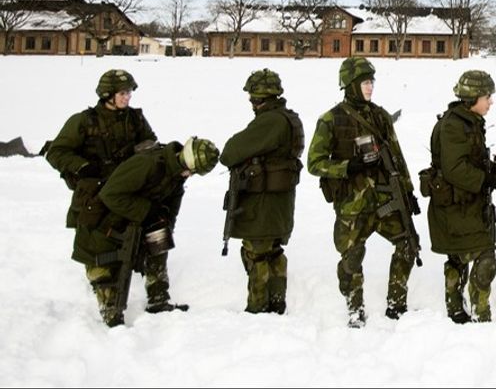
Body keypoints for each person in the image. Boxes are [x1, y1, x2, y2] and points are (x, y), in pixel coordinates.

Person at [307, 56, 421, 328]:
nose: (370, 87)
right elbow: (314, 163)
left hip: (385, 199)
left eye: (371, 82)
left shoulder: (380, 116)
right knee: (352, 256)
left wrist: (408, 191)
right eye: (365, 83)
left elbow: (397, 156)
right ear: (350, 85)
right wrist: (348, 166)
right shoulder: (331, 120)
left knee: (408, 243)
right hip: (352, 204)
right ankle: (354, 308)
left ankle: (396, 304)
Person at [44, 69, 159, 325]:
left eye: (129, 92)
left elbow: (151, 144)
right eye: (122, 93)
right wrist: (82, 167)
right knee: (95, 245)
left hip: (127, 190)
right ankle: (107, 300)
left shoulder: (136, 119)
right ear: (107, 94)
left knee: (131, 238)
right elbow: (56, 152)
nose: (127, 97)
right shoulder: (84, 121)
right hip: (94, 193)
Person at [90, 137, 218, 326]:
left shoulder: (176, 177)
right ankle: (111, 312)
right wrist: (147, 211)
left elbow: (170, 213)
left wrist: (162, 226)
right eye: (191, 171)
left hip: (135, 217)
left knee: (160, 236)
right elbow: (109, 195)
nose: (190, 175)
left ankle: (158, 299)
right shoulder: (147, 164)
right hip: (105, 221)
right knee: (105, 271)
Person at [424, 70, 496, 324]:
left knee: (459, 256)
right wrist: (486, 179)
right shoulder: (454, 125)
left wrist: (491, 172)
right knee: (485, 259)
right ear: (473, 97)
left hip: (463, 204)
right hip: (455, 207)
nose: (491, 101)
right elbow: (454, 168)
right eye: (487, 96)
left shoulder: (467, 121)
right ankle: (481, 317)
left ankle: (454, 309)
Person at [219, 69, 305, 315]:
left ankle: (257, 308)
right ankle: (276, 303)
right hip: (280, 201)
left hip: (263, 203)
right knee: (274, 252)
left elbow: (230, 152)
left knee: (257, 254)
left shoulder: (271, 121)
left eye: (252, 97)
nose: (250, 103)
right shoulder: (288, 118)